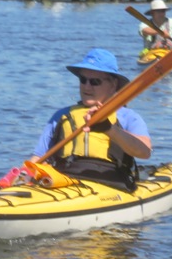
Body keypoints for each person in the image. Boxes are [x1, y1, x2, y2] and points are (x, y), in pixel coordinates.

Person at [31, 48, 152, 191]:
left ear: (113, 84)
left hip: (111, 184)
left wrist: (110, 129)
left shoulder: (128, 117)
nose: (87, 86)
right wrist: (20, 178)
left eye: (95, 81)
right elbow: (37, 158)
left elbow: (144, 152)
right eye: (83, 80)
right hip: (64, 183)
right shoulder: (61, 116)